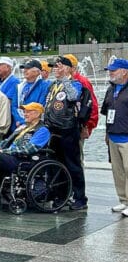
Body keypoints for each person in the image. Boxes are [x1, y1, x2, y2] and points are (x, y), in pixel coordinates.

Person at [44, 56, 88, 210]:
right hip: (53, 131)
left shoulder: (75, 83)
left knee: (73, 165)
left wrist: (65, 79)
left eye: (59, 66)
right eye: (54, 67)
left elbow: (73, 96)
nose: (56, 69)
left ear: (69, 68)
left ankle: (80, 198)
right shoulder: (53, 85)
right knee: (56, 165)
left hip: (68, 130)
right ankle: (61, 194)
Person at [101, 58, 128, 216]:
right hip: (113, 135)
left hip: (126, 136)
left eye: (114, 70)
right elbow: (107, 112)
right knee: (118, 171)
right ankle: (123, 200)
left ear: (124, 71)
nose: (110, 73)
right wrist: (106, 132)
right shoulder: (111, 89)